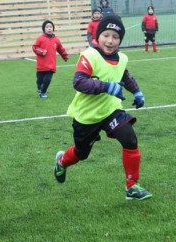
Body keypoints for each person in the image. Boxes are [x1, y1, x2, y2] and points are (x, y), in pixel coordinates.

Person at [53, 14, 151, 201]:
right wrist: (106, 86)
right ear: (98, 36)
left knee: (130, 139)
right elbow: (79, 82)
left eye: (115, 37)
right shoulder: (89, 55)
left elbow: (124, 76)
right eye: (106, 35)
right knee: (81, 154)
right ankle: (61, 161)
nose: (110, 41)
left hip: (111, 109)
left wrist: (137, 92)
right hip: (87, 116)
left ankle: (132, 186)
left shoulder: (122, 58)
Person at [32, 19, 68, 99]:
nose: (49, 28)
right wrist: (41, 51)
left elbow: (61, 49)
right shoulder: (40, 38)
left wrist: (65, 56)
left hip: (51, 65)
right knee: (39, 80)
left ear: (53, 28)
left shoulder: (56, 40)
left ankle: (43, 92)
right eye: (47, 27)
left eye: (51, 27)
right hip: (41, 65)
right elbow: (34, 47)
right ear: (44, 29)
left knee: (47, 80)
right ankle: (39, 86)